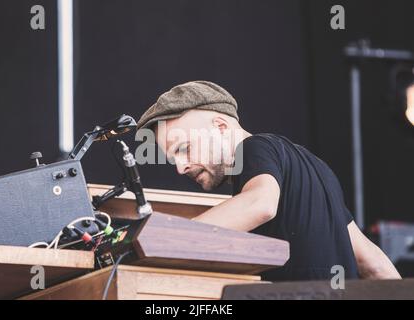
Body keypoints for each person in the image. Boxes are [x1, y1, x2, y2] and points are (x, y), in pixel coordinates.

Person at [136, 80, 401, 281]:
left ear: (220, 127)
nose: (180, 168)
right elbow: (372, 262)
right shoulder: (315, 168)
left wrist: (164, 238)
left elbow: (259, 204)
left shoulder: (253, 147)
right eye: (173, 159)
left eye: (184, 148)